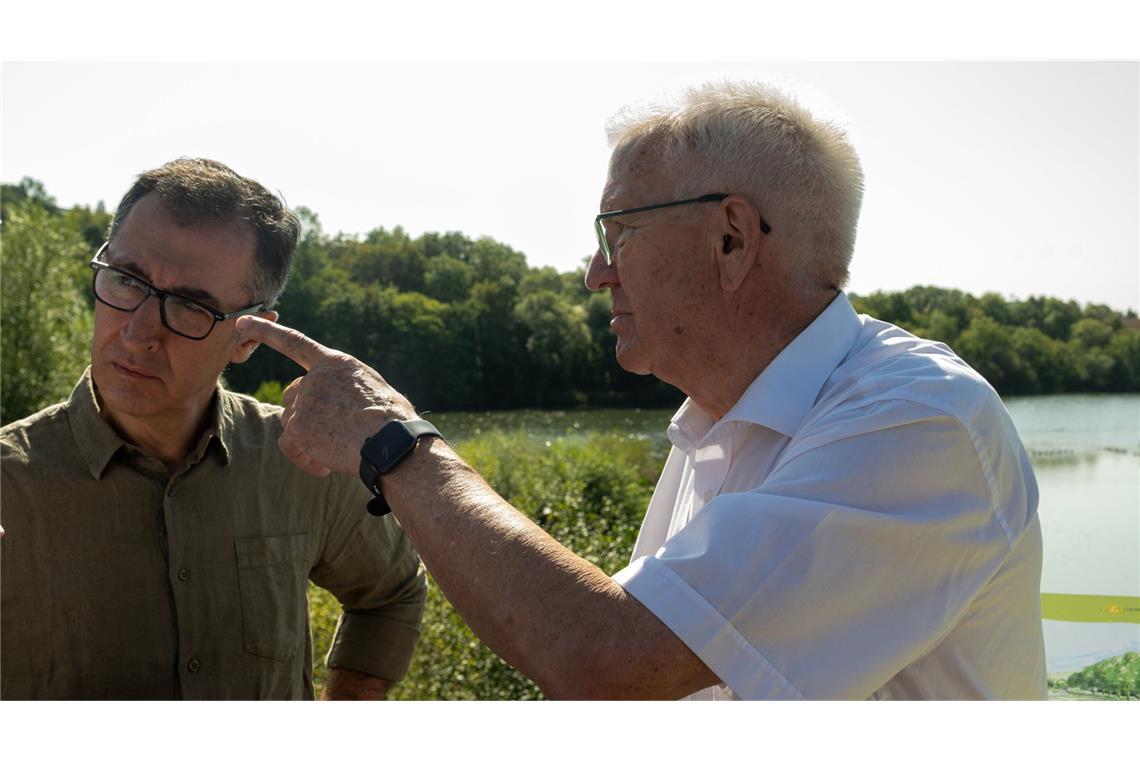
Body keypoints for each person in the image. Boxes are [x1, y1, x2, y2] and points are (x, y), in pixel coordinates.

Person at [235, 81, 1047, 700]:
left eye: (616, 232)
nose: (595, 274)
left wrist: (393, 442)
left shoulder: (920, 422)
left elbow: (605, 659)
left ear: (731, 238)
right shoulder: (715, 426)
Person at [0, 158, 427, 700]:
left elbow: (390, 592)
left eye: (190, 306)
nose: (138, 334)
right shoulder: (7, 481)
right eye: (126, 281)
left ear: (250, 337)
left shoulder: (302, 462)